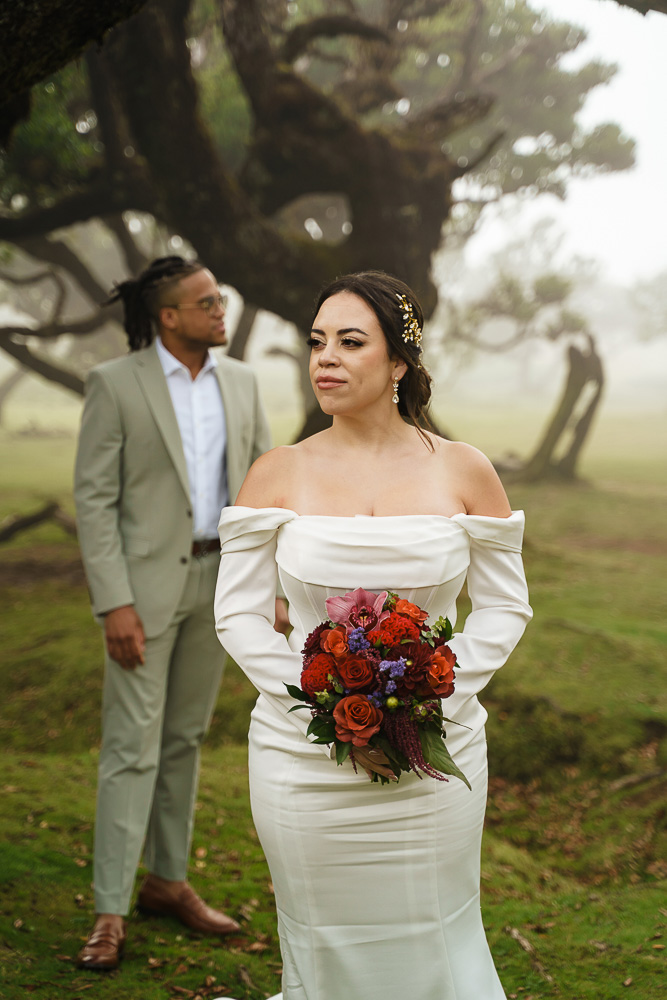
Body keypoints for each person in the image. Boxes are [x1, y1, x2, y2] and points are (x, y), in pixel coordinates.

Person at [212, 270, 533, 1000]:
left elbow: (504, 607)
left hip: (436, 754)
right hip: (304, 760)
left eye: (349, 342)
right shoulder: (276, 472)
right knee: (321, 936)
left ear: (398, 364)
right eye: (316, 341)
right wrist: (319, 701)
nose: (324, 357)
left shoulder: (462, 468)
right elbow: (236, 613)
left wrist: (427, 694)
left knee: (433, 928)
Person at [74, 255, 286, 971]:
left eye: (220, 298)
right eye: (206, 301)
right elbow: (95, 501)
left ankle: (167, 881)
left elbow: (261, 494)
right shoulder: (114, 385)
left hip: (219, 585)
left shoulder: (243, 382)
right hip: (143, 595)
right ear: (168, 316)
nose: (220, 308)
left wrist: (275, 586)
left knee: (184, 738)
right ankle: (109, 910)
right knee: (130, 747)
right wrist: (114, 602)